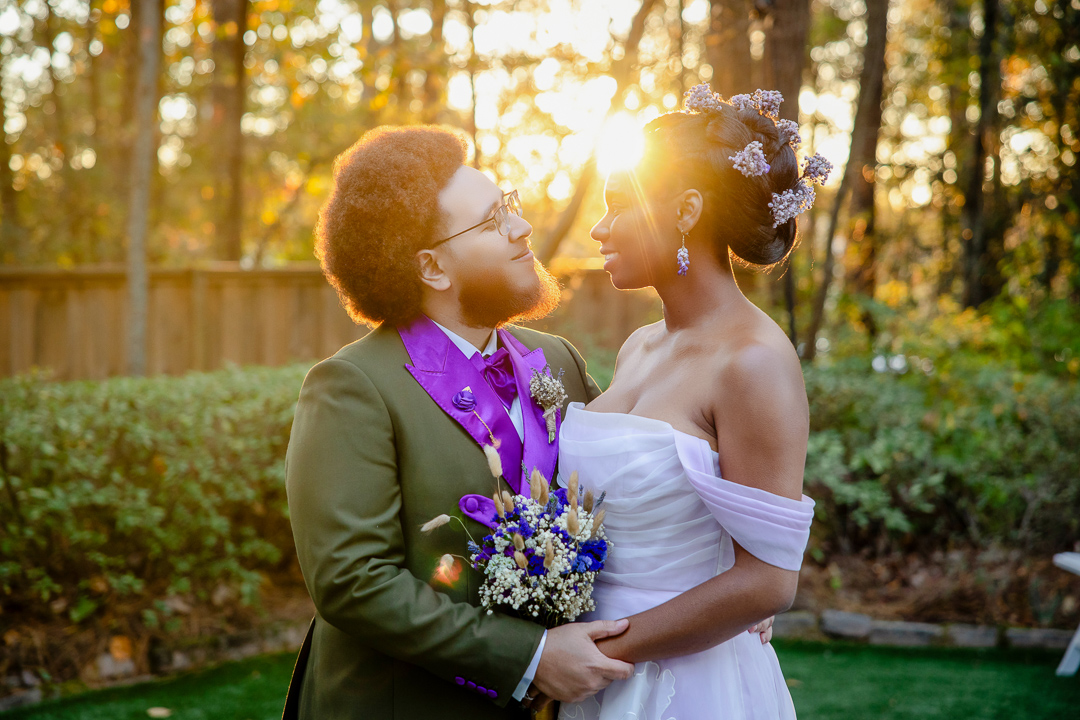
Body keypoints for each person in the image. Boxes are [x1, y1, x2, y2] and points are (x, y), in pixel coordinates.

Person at [282, 125, 635, 720]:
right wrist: (529, 656)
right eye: (495, 218)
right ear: (433, 268)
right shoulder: (352, 388)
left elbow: (627, 490)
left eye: (512, 205)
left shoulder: (559, 361)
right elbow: (353, 581)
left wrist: (718, 583)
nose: (522, 228)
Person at [552, 86, 824, 719]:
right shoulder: (639, 347)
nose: (598, 227)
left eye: (618, 205)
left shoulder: (754, 363)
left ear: (685, 209)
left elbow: (768, 581)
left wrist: (593, 652)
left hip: (685, 683)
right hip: (589, 673)